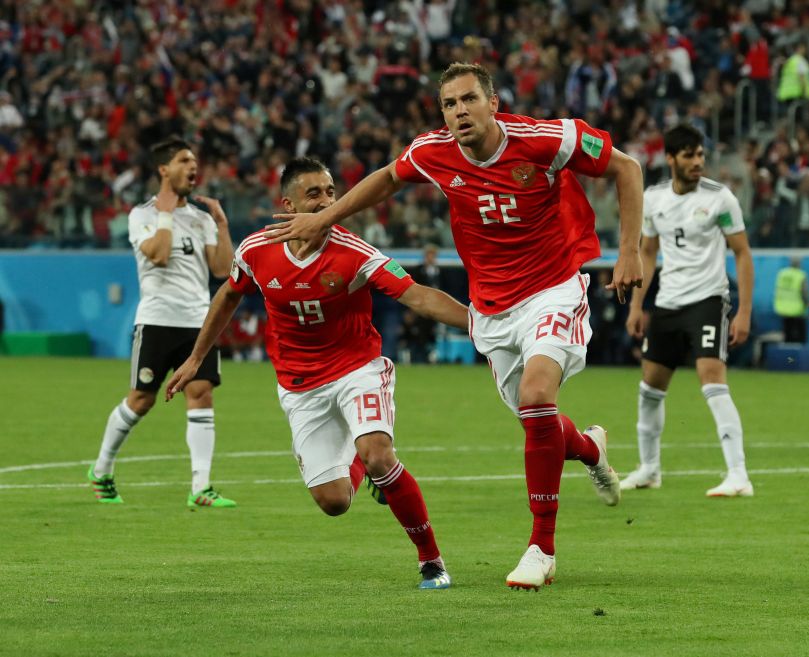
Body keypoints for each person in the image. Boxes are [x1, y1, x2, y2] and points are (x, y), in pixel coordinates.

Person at [266, 62, 644, 590]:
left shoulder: (547, 139)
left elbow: (627, 167)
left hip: (553, 288)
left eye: (469, 99)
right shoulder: (433, 151)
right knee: (536, 418)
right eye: (449, 104)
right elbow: (387, 178)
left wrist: (629, 251)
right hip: (492, 308)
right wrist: (326, 217)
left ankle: (542, 547)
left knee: (537, 397)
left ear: (493, 103)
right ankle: (590, 448)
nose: (460, 111)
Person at [166, 157, 468, 589]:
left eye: (330, 192)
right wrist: (196, 358)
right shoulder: (256, 251)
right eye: (314, 194)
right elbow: (229, 295)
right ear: (288, 206)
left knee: (379, 454)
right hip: (301, 385)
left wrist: (478, 323)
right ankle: (363, 468)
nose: (327, 201)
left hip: (358, 369)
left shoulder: (356, 253)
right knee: (334, 502)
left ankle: (431, 561)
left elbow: (417, 296)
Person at [88, 137, 237, 508]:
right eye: (184, 160)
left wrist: (221, 224)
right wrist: (167, 214)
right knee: (141, 400)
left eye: (194, 161)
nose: (193, 167)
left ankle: (200, 487)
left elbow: (223, 269)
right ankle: (101, 469)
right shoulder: (142, 215)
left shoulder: (202, 218)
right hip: (157, 321)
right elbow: (157, 254)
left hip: (199, 322)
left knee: (201, 394)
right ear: (163, 169)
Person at [622, 124, 755, 498]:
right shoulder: (653, 199)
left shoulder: (720, 199)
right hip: (667, 303)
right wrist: (637, 305)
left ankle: (738, 475)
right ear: (670, 158)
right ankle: (649, 469)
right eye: (689, 155)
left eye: (700, 155)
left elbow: (742, 252)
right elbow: (648, 253)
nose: (697, 162)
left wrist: (743, 311)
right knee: (650, 387)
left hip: (708, 300)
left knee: (712, 378)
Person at [774, 256, 809, 343]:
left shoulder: (782, 274)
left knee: (787, 335)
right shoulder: (801, 275)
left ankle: (787, 350)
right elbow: (805, 293)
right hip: (798, 310)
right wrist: (807, 305)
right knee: (801, 336)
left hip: (782, 309)